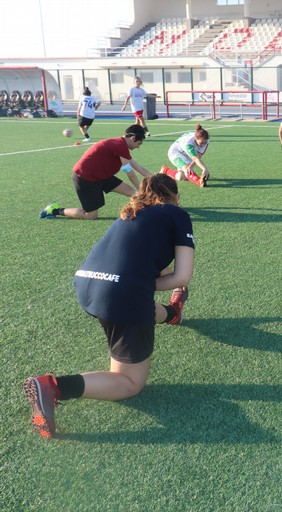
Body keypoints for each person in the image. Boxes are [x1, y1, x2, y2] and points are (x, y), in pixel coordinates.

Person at [24, 173, 194, 439]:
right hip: (120, 295)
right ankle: (54, 387)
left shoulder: (130, 212)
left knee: (136, 299)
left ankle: (172, 313)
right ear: (175, 196)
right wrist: (142, 284)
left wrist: (138, 284)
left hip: (86, 284)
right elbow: (181, 277)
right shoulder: (176, 213)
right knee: (129, 383)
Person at [39, 124, 152, 220]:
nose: (138, 147)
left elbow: (139, 168)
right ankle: (54, 210)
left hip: (102, 176)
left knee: (134, 194)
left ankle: (141, 214)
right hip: (85, 177)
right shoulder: (120, 145)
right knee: (90, 215)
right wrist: (141, 191)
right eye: (139, 144)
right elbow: (129, 172)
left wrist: (157, 179)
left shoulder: (121, 145)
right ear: (133, 139)